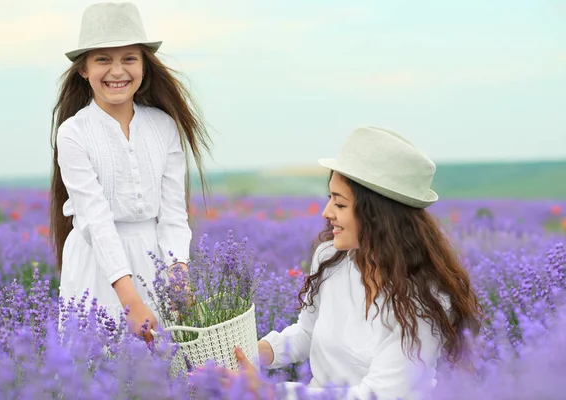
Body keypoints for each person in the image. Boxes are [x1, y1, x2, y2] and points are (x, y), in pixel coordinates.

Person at [225, 126, 482, 399]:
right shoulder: (330, 259)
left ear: (377, 215)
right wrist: (252, 354)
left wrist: (266, 392)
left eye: (340, 204)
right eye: (330, 199)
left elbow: (375, 395)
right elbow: (308, 333)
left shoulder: (422, 301)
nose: (326, 213)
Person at [49, 2, 211, 342]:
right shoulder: (74, 133)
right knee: (98, 369)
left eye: (129, 58)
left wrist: (178, 279)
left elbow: (173, 214)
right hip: (98, 264)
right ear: (83, 69)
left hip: (155, 262)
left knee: (163, 374)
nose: (117, 71)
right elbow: (95, 219)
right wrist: (130, 299)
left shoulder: (164, 126)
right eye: (103, 59)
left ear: (144, 65)